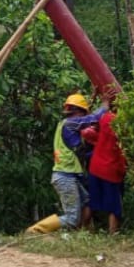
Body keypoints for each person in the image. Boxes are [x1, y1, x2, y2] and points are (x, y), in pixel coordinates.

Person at [26, 93, 106, 234]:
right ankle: (35, 230)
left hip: (67, 175)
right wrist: (105, 105)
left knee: (87, 201)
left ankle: (80, 233)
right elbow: (92, 119)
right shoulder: (70, 123)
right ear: (78, 112)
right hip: (65, 177)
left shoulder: (65, 125)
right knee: (71, 218)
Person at [87, 99, 127, 234]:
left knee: (91, 202)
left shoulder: (105, 118)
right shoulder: (124, 124)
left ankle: (81, 230)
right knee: (114, 206)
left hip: (96, 166)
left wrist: (97, 100)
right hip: (111, 170)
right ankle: (112, 233)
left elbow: (89, 122)